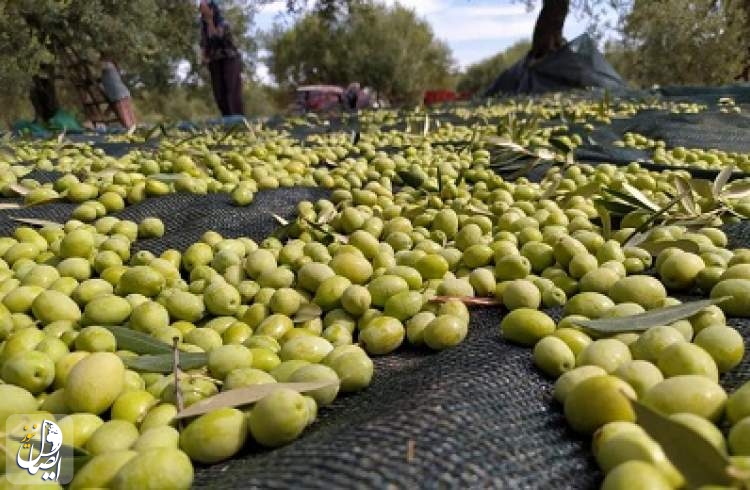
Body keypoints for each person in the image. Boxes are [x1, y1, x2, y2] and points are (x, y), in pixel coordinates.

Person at [200, 0, 244, 117]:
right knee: (219, 94)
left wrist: (210, 21)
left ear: (212, 10)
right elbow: (204, 43)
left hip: (229, 59)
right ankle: (227, 119)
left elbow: (217, 37)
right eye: (201, 9)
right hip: (215, 62)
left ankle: (237, 120)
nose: (203, 11)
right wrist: (204, 57)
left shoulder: (223, 23)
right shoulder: (203, 27)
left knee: (231, 91)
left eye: (205, 9)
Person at [100, 57, 137, 130]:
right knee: (129, 115)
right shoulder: (112, 71)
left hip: (118, 95)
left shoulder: (109, 66)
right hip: (123, 93)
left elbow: (104, 66)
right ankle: (135, 130)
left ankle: (132, 131)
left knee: (125, 116)